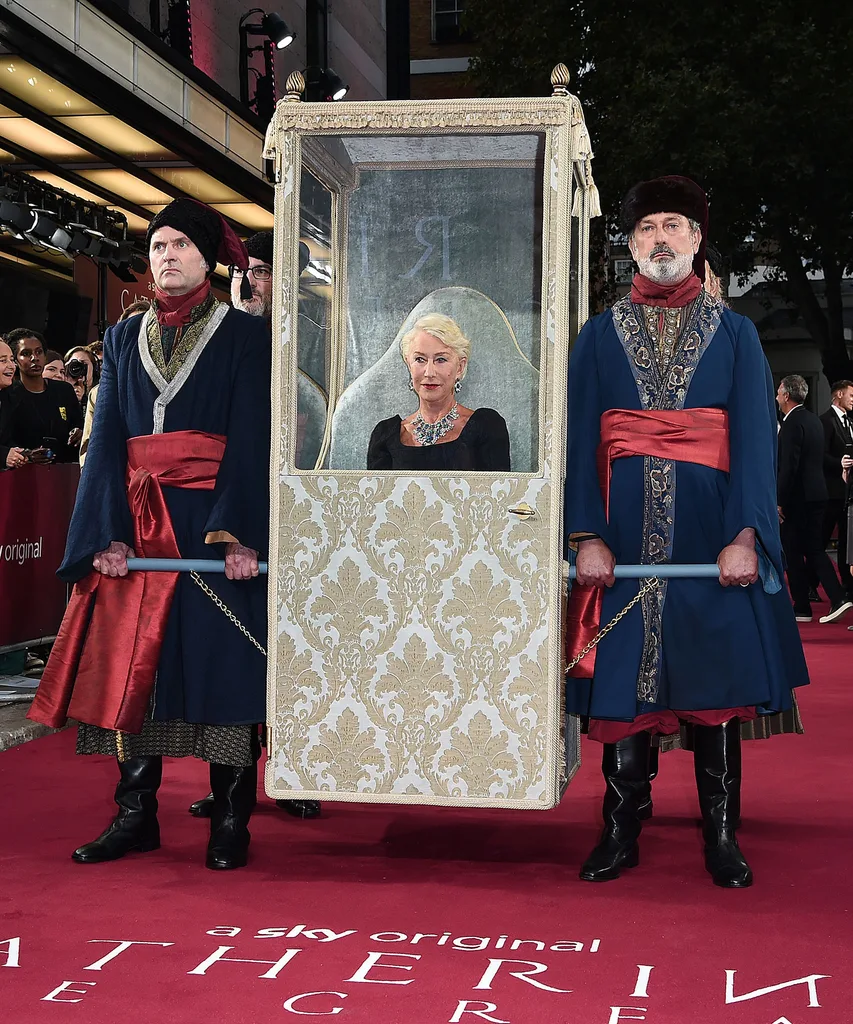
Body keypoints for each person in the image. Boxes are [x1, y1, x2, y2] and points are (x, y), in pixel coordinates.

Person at [564, 175, 809, 889]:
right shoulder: (597, 334)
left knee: (714, 688)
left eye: (674, 225)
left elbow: (756, 446)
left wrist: (745, 535)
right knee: (623, 694)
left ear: (697, 240)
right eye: (647, 229)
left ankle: (721, 834)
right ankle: (619, 830)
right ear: (631, 244)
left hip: (712, 543)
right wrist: (585, 535)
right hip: (620, 539)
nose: (661, 238)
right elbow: (578, 440)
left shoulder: (736, 333)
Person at [28, 198, 271, 871]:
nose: (167, 257)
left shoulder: (247, 337)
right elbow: (105, 440)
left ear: (207, 259)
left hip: (210, 528)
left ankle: (230, 821)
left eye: (180, 247)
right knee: (136, 669)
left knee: (224, 669)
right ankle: (135, 815)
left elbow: (253, 440)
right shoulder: (118, 337)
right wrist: (104, 531)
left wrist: (240, 536)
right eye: (159, 246)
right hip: (135, 532)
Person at [182, 229, 320, 823]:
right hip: (231, 509)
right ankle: (226, 783)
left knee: (290, 647)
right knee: (234, 650)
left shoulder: (316, 339)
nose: (252, 282)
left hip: (297, 506)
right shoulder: (218, 336)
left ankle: (290, 769)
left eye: (265, 271)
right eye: (248, 271)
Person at [367, 313, 510, 471]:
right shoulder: (385, 436)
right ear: (409, 365)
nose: (429, 372)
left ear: (460, 367)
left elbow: (498, 494)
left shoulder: (486, 427)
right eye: (420, 359)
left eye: (440, 359)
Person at [777, 374, 851, 623]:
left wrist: (779, 500)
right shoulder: (813, 420)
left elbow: (789, 466)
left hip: (798, 498)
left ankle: (802, 607)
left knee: (793, 550)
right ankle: (836, 596)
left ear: (787, 396)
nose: (777, 396)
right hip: (819, 494)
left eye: (779, 392)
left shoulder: (791, 423)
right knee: (813, 548)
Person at [79, 300, 152, 468]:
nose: (136, 334)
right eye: (129, 328)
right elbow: (89, 451)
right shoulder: (98, 394)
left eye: (143, 326)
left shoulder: (170, 387)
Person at [5, 328, 83, 463]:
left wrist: (79, 432)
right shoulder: (9, 394)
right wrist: (27, 455)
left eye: (39, 352)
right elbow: (6, 440)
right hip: (24, 473)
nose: (34, 358)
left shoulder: (64, 390)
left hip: (65, 470)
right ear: (15, 360)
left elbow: (78, 424)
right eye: (26, 353)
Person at [820, 379, 853, 601]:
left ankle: (847, 585)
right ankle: (812, 584)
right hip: (831, 492)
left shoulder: (850, 422)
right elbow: (820, 455)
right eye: (851, 394)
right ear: (838, 394)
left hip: (847, 494)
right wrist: (838, 464)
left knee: (847, 541)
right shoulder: (825, 421)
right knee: (821, 540)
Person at [0, 338, 27, 470]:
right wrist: (4, 455)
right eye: (3, 360)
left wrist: (21, 453)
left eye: (11, 359)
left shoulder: (9, 396)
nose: (11, 366)